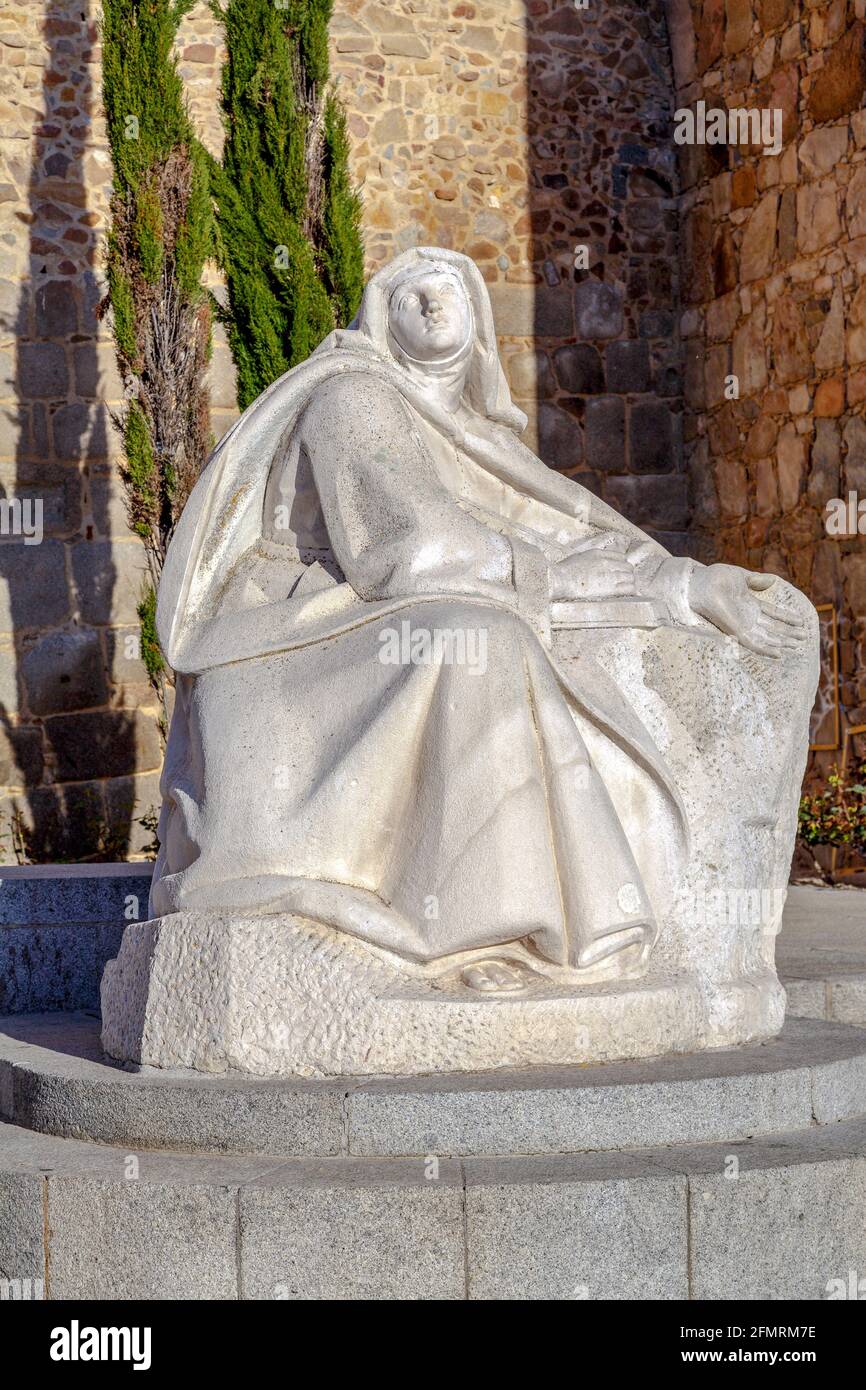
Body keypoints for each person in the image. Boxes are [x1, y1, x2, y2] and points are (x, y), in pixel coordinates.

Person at [150, 247, 807, 991]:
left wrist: (685, 585)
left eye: (449, 292)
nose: (432, 306)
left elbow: (572, 536)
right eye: (411, 297)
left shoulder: (483, 446)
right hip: (295, 646)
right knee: (481, 643)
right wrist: (549, 580)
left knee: (486, 637)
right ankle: (477, 933)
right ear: (380, 319)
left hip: (379, 630)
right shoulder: (352, 396)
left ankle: (525, 927)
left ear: (478, 324)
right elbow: (413, 550)